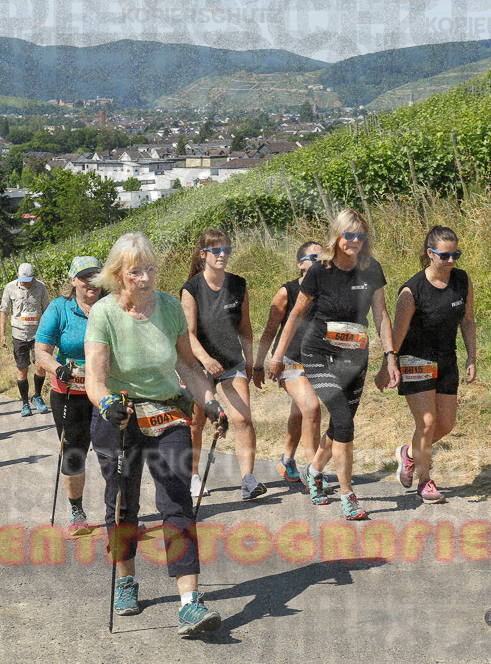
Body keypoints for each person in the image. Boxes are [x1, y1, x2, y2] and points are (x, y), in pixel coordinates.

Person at [86, 232, 226, 636]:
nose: (145, 279)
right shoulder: (105, 313)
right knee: (122, 504)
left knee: (176, 501)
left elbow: (187, 368)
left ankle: (190, 603)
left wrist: (211, 402)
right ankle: (127, 579)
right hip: (121, 414)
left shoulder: (168, 307)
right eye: (135, 272)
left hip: (165, 412)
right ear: (118, 274)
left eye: (150, 270)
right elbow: (95, 380)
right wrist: (108, 403)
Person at [269, 209, 401, 521]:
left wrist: (390, 356)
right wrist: (277, 356)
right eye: (349, 235)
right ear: (337, 237)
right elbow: (296, 314)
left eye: (361, 236)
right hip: (318, 354)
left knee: (340, 424)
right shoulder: (320, 271)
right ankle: (347, 495)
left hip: (355, 357)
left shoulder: (372, 269)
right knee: (344, 422)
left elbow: (381, 315)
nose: (355, 241)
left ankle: (314, 470)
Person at [375, 225, 477, 504]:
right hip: (415, 360)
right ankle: (425, 481)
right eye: (444, 256)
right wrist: (388, 365)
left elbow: (467, 320)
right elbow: (398, 332)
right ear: (430, 254)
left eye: (455, 254)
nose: (451, 261)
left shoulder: (462, 280)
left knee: (446, 424)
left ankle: (409, 454)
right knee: (427, 422)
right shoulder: (411, 291)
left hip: (447, 359)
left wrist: (472, 356)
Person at [180, 229, 265, 501]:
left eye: (226, 250)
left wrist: (252, 361)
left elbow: (246, 328)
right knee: (197, 422)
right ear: (203, 254)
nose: (222, 255)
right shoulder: (191, 289)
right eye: (216, 250)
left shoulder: (239, 285)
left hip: (231, 363)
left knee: (243, 418)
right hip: (198, 366)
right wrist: (205, 360)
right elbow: (188, 334)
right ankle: (193, 477)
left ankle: (248, 480)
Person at [253, 241, 334, 493]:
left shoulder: (328, 291)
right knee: (311, 408)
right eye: (314, 257)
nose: (320, 261)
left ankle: (287, 460)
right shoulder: (286, 292)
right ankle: (313, 471)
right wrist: (259, 364)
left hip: (318, 360)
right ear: (300, 264)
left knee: (300, 412)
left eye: (324, 258)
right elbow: (269, 331)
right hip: (289, 361)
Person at [35, 256, 104, 535]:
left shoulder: (110, 306)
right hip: (69, 392)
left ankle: (122, 512)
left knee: (114, 449)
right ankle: (77, 512)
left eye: (96, 276)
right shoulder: (59, 308)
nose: (92, 283)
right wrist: (58, 368)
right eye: (85, 276)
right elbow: (40, 352)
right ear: (74, 281)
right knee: (74, 452)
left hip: (105, 390)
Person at [0, 263, 51, 417]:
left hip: (38, 333)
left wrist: (50, 332)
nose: (26, 283)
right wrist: (2, 334)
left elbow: (47, 310)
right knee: (22, 368)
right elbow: (4, 311)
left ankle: (37, 396)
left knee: (41, 365)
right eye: (23, 280)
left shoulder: (41, 288)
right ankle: (24, 403)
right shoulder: (10, 288)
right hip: (19, 334)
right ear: (18, 276)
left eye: (29, 280)